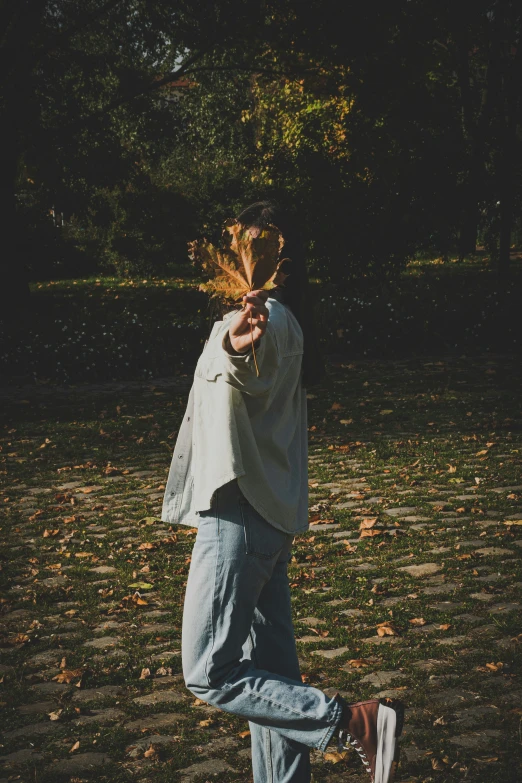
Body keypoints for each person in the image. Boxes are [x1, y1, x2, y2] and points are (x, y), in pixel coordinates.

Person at [162, 200, 404, 783]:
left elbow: (249, 362)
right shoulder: (279, 319)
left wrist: (237, 342)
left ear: (275, 259)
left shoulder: (266, 322)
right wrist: (238, 337)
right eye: (244, 243)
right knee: (272, 676)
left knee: (207, 671)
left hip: (239, 516)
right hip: (263, 517)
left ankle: (352, 722)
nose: (243, 254)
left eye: (257, 244)